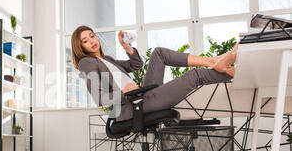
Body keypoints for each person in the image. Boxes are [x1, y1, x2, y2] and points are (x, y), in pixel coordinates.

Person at [71, 25, 237, 123]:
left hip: (141, 96)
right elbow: (100, 98)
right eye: (85, 41)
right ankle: (233, 71)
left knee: (158, 53)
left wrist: (127, 46)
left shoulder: (106, 59)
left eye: (92, 36)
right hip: (133, 105)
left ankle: (213, 62)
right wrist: (124, 93)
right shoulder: (87, 63)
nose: (92, 41)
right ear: (80, 47)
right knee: (195, 76)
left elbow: (136, 65)